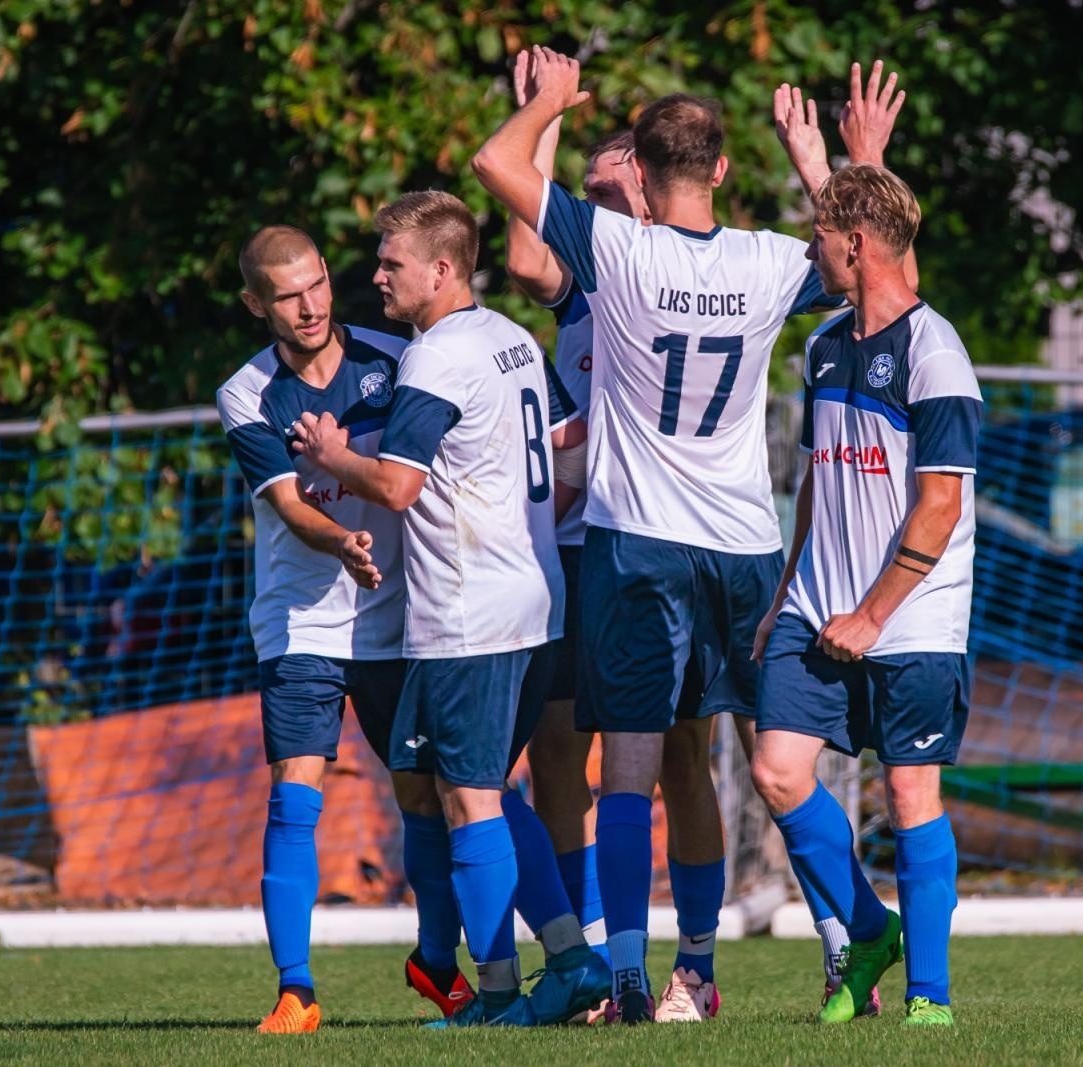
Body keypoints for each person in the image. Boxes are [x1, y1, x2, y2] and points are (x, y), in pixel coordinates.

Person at [472, 47, 848, 1024]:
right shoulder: (759, 259)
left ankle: (665, 968)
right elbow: (859, 256)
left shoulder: (620, 254)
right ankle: (793, 947)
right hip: (734, 544)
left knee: (654, 760)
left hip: (638, 543)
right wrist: (818, 158)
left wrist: (545, 105)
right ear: (722, 168)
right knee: (759, 759)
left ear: (641, 166)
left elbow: (497, 171)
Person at [290, 190, 610, 1027]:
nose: (377, 276)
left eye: (390, 262)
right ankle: (540, 972)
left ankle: (537, 978)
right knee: (489, 794)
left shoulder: (434, 358)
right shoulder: (510, 337)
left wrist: (331, 453)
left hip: (469, 620)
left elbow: (397, 487)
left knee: (469, 800)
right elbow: (570, 445)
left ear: (440, 269)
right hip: (535, 604)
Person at [749, 162, 981, 1029]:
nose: (812, 251)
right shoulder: (821, 346)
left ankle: (930, 995)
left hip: (913, 615)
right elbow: (817, 481)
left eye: (819, 237)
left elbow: (941, 501)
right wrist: (786, 593)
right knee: (777, 769)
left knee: (910, 793)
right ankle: (872, 926)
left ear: (855, 244)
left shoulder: (936, 353)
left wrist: (874, 613)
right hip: (816, 604)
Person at [216, 224, 415, 1034]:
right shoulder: (247, 393)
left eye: (318, 284)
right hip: (302, 624)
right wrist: (345, 542)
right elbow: (293, 507)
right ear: (255, 302)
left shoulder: (395, 357)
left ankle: (451, 967)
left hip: (404, 617)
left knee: (441, 797)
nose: (309, 305)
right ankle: (296, 990)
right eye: (288, 293)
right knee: (294, 797)